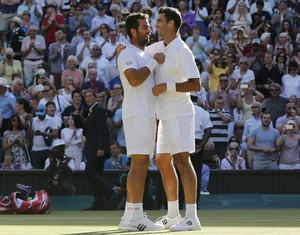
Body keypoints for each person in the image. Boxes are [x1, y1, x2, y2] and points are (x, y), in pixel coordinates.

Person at [148, 7, 201, 231]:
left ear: (171, 24)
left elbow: (196, 84)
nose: (156, 24)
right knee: (162, 160)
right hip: (165, 114)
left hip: (180, 112)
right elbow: (140, 53)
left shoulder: (182, 50)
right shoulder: (160, 46)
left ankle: (192, 217)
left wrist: (166, 86)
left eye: (159, 21)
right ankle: (172, 214)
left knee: (182, 160)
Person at [117, 13, 165, 231]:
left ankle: (129, 216)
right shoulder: (128, 52)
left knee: (139, 164)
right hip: (138, 113)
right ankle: (137, 217)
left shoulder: (144, 52)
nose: (149, 30)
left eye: (148, 27)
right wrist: (155, 62)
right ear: (133, 31)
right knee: (140, 164)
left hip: (144, 113)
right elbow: (134, 79)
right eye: (144, 27)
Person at [83, 89, 121, 210]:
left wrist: (100, 148)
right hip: (94, 147)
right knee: (96, 174)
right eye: (86, 97)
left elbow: (101, 130)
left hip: (97, 149)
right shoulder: (91, 111)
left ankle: (110, 192)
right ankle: (99, 203)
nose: (88, 98)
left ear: (95, 98)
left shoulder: (97, 110)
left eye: (90, 96)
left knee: (89, 172)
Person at [30, 103, 58, 169]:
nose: (40, 116)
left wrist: (43, 134)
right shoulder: (33, 120)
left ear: (45, 112)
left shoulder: (51, 120)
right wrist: (30, 124)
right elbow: (29, 135)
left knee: (48, 170)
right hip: (36, 150)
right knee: (36, 171)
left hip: (47, 149)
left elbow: (55, 134)